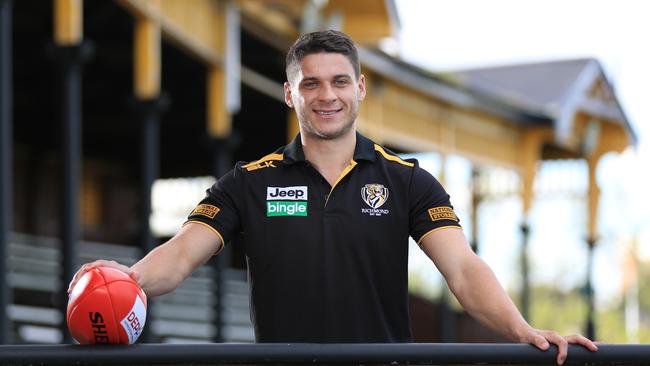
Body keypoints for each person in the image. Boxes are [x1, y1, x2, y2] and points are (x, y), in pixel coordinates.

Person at [70, 30, 596, 365]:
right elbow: (182, 254)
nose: (327, 96)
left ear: (361, 88)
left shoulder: (407, 180)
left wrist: (522, 329)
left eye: (340, 81)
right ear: (289, 92)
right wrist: (127, 282)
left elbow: (462, 270)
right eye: (311, 84)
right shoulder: (247, 182)